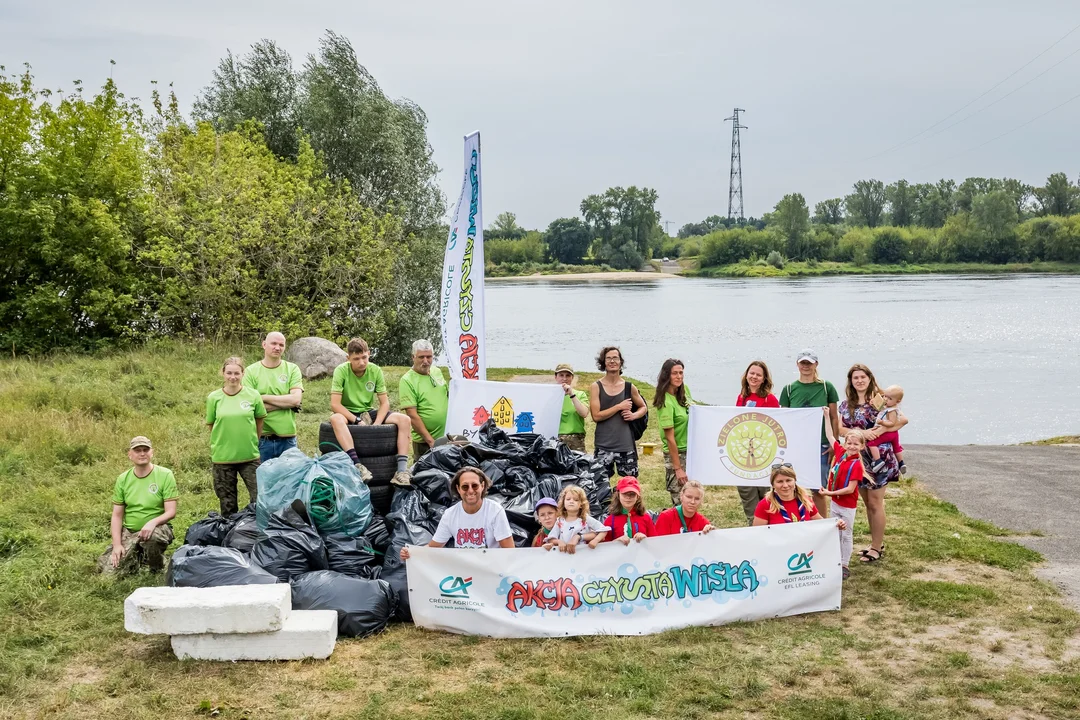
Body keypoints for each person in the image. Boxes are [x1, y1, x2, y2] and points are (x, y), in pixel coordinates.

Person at [838, 364, 909, 564]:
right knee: (867, 502)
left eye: (863, 377)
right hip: (857, 459)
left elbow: (900, 420)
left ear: (870, 379)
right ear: (850, 381)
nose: (859, 381)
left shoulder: (879, 401)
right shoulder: (846, 405)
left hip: (879, 457)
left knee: (876, 502)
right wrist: (859, 433)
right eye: (855, 378)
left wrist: (876, 433)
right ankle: (874, 543)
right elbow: (840, 428)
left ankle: (877, 547)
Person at [329, 337, 414, 486]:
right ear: (348, 358)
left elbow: (384, 403)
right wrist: (357, 421)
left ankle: (401, 472)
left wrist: (377, 425)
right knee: (335, 418)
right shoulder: (341, 371)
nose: (361, 362)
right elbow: (335, 404)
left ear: (369, 354)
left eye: (364, 357)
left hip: (368, 411)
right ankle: (358, 466)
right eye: (356, 359)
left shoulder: (375, 370)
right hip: (347, 412)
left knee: (404, 420)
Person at [97, 436, 178, 574]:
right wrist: (117, 545)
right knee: (108, 572)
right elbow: (117, 515)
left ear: (152, 452)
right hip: (130, 531)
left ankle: (157, 566)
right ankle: (137, 559)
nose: (142, 453)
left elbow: (171, 511)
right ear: (130, 454)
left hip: (157, 529)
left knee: (152, 538)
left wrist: (153, 522)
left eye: (145, 450)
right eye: (137, 450)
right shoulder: (123, 479)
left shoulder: (165, 475)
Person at [399, 467, 515, 559]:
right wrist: (412, 553)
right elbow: (434, 547)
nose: (470, 490)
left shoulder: (495, 511)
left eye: (474, 485)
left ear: (482, 486)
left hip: (491, 569)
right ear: (458, 489)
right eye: (465, 487)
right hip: (463, 572)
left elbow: (509, 551)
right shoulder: (450, 514)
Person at [778, 349, 839, 518]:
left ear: (816, 364)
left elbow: (834, 417)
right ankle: (798, 521)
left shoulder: (827, 387)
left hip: (821, 445)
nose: (806, 366)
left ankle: (822, 524)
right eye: (803, 363)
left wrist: (835, 443)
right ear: (797, 364)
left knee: (818, 489)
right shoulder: (789, 389)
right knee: (795, 486)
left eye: (809, 363)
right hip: (797, 446)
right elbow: (784, 421)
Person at [206, 356, 266, 516]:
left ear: (242, 374)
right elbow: (212, 424)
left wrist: (254, 440)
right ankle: (229, 536)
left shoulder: (253, 395)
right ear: (223, 374)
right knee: (227, 503)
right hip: (223, 458)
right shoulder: (214, 398)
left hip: (249, 456)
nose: (233, 377)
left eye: (237, 373)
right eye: (229, 373)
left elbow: (259, 419)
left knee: (260, 498)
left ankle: (254, 533)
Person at [243, 332, 303, 462]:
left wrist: (262, 397)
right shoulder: (250, 371)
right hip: (262, 439)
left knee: (290, 480)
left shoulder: (292, 369)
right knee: (263, 481)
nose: (277, 347)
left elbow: (296, 400)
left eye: (281, 345)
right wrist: (285, 404)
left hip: (288, 439)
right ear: (264, 345)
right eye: (274, 343)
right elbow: (249, 407)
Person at [590, 347, 647, 482]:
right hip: (603, 446)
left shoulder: (629, 387)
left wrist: (634, 415)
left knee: (630, 487)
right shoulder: (596, 386)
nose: (612, 361)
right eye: (608, 358)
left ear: (620, 362)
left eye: (615, 358)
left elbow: (643, 407)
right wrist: (618, 407)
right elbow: (596, 416)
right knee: (599, 487)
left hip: (626, 445)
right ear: (603, 362)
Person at [735, 360, 780, 523]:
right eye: (751, 373)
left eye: (758, 374)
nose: (754, 377)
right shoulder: (741, 398)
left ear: (764, 378)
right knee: (748, 498)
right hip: (743, 457)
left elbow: (776, 427)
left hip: (763, 457)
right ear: (746, 375)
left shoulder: (770, 399)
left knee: (766, 500)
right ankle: (753, 531)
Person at [822, 416, 864, 580]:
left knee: (846, 534)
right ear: (845, 444)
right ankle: (835, 560)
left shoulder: (856, 465)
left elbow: (850, 489)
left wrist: (828, 493)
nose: (852, 447)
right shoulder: (840, 453)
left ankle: (844, 564)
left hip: (846, 505)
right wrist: (826, 416)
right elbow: (830, 436)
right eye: (849, 443)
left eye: (856, 444)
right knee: (836, 532)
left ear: (861, 446)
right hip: (835, 503)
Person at [752, 465, 848, 533]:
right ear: (773, 484)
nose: (785, 485)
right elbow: (757, 534)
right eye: (780, 481)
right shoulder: (765, 504)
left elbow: (820, 523)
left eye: (788, 480)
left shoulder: (805, 501)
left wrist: (835, 525)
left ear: (795, 481)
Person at [398, 339, 449, 462]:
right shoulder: (407, 380)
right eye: (421, 357)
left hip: (446, 436)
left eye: (429, 357)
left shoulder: (437, 372)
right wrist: (430, 441)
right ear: (413, 357)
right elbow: (412, 415)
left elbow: (447, 395)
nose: (426, 361)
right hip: (425, 442)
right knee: (425, 475)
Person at [654, 358, 693, 505]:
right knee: (681, 499)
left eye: (681, 373)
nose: (679, 377)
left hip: (691, 452)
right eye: (674, 373)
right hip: (677, 454)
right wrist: (678, 468)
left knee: (693, 494)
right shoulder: (665, 402)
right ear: (666, 375)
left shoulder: (685, 391)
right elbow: (669, 438)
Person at [543, 485, 608, 553]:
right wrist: (559, 542)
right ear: (563, 502)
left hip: (582, 555)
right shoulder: (560, 520)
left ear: (581, 504)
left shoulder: (585, 519)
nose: (571, 501)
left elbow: (603, 530)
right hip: (564, 556)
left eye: (576, 500)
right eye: (568, 499)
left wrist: (595, 540)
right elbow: (551, 539)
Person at [601, 476, 655, 544]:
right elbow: (604, 548)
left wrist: (645, 539)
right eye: (624, 494)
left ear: (637, 496)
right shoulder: (610, 521)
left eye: (632, 494)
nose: (628, 497)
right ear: (618, 494)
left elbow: (655, 542)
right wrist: (615, 542)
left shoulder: (646, 518)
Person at [867, 385, 907, 475]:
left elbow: (891, 423)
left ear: (898, 401)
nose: (885, 399)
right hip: (894, 433)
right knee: (896, 447)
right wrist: (874, 403)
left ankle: (878, 461)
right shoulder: (889, 407)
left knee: (871, 443)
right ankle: (901, 463)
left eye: (889, 398)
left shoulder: (892, 411)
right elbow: (880, 409)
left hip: (888, 432)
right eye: (885, 396)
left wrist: (882, 423)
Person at [555, 363, 589, 452]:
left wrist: (571, 394)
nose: (564, 378)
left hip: (576, 440)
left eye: (568, 375)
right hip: (555, 438)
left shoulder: (580, 395)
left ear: (572, 378)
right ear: (556, 377)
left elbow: (584, 413)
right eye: (561, 375)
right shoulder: (549, 396)